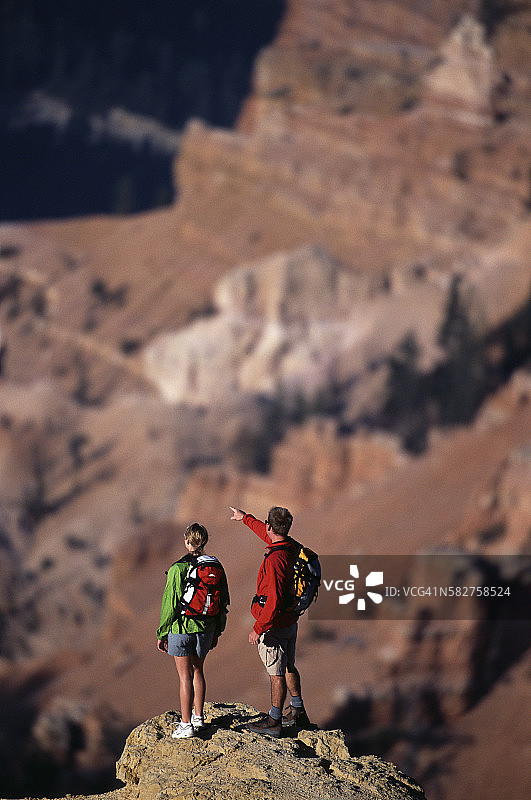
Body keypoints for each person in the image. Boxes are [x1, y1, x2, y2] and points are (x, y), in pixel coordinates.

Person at [229, 505, 310, 737]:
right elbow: (266, 534)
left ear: (270, 526)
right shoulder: (292, 547)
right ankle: (297, 711)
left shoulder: (275, 560)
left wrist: (258, 628)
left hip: (273, 624)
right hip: (290, 620)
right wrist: (245, 519)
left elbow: (272, 600)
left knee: (276, 674)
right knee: (288, 666)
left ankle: (274, 720)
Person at [157, 522, 229, 739]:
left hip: (182, 628)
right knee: (198, 670)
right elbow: (223, 601)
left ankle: (186, 724)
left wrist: (162, 633)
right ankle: (198, 718)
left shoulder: (178, 569)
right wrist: (218, 631)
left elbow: (170, 604)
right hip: (206, 628)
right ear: (204, 541)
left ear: (187, 541)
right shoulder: (215, 567)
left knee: (184, 676)